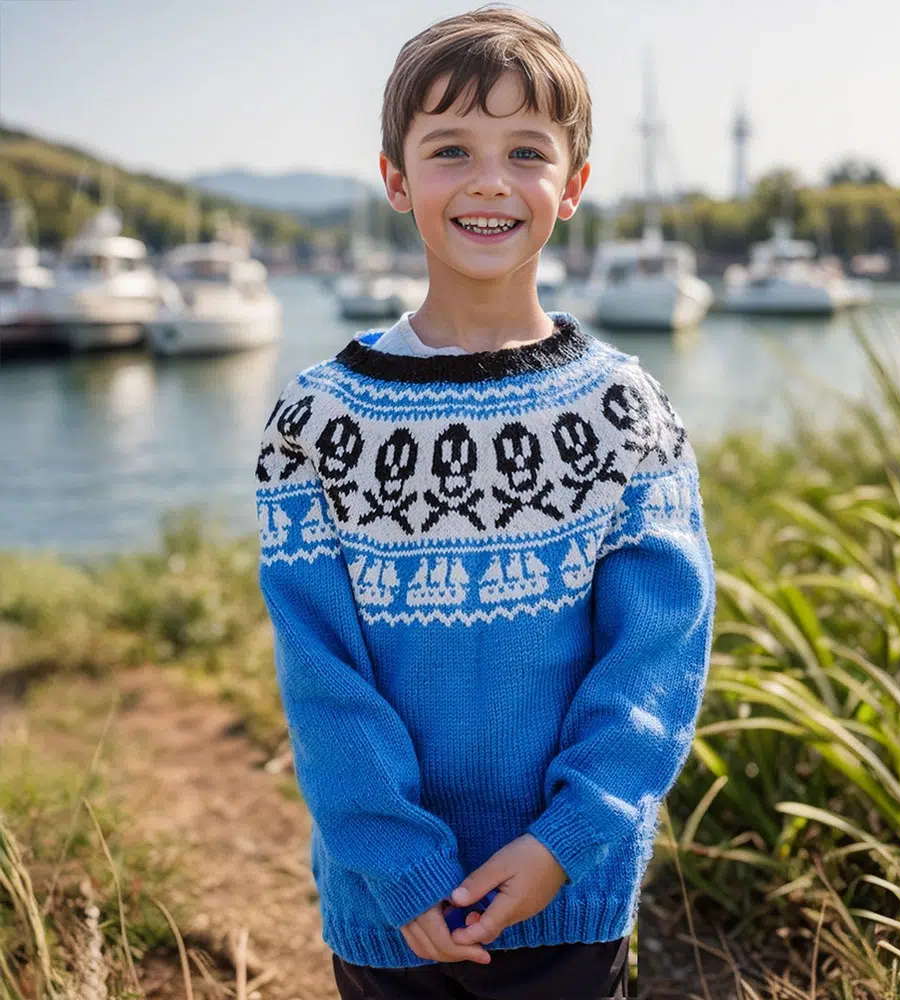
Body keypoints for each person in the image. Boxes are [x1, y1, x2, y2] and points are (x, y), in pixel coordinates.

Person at [254, 6, 716, 998]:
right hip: (389, 906)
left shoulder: (624, 409)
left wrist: (570, 836)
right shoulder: (316, 419)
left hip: (571, 891)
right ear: (396, 179)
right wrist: (396, 858)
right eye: (451, 149)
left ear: (574, 185)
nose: (490, 180)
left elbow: (657, 650)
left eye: (526, 151)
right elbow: (319, 670)